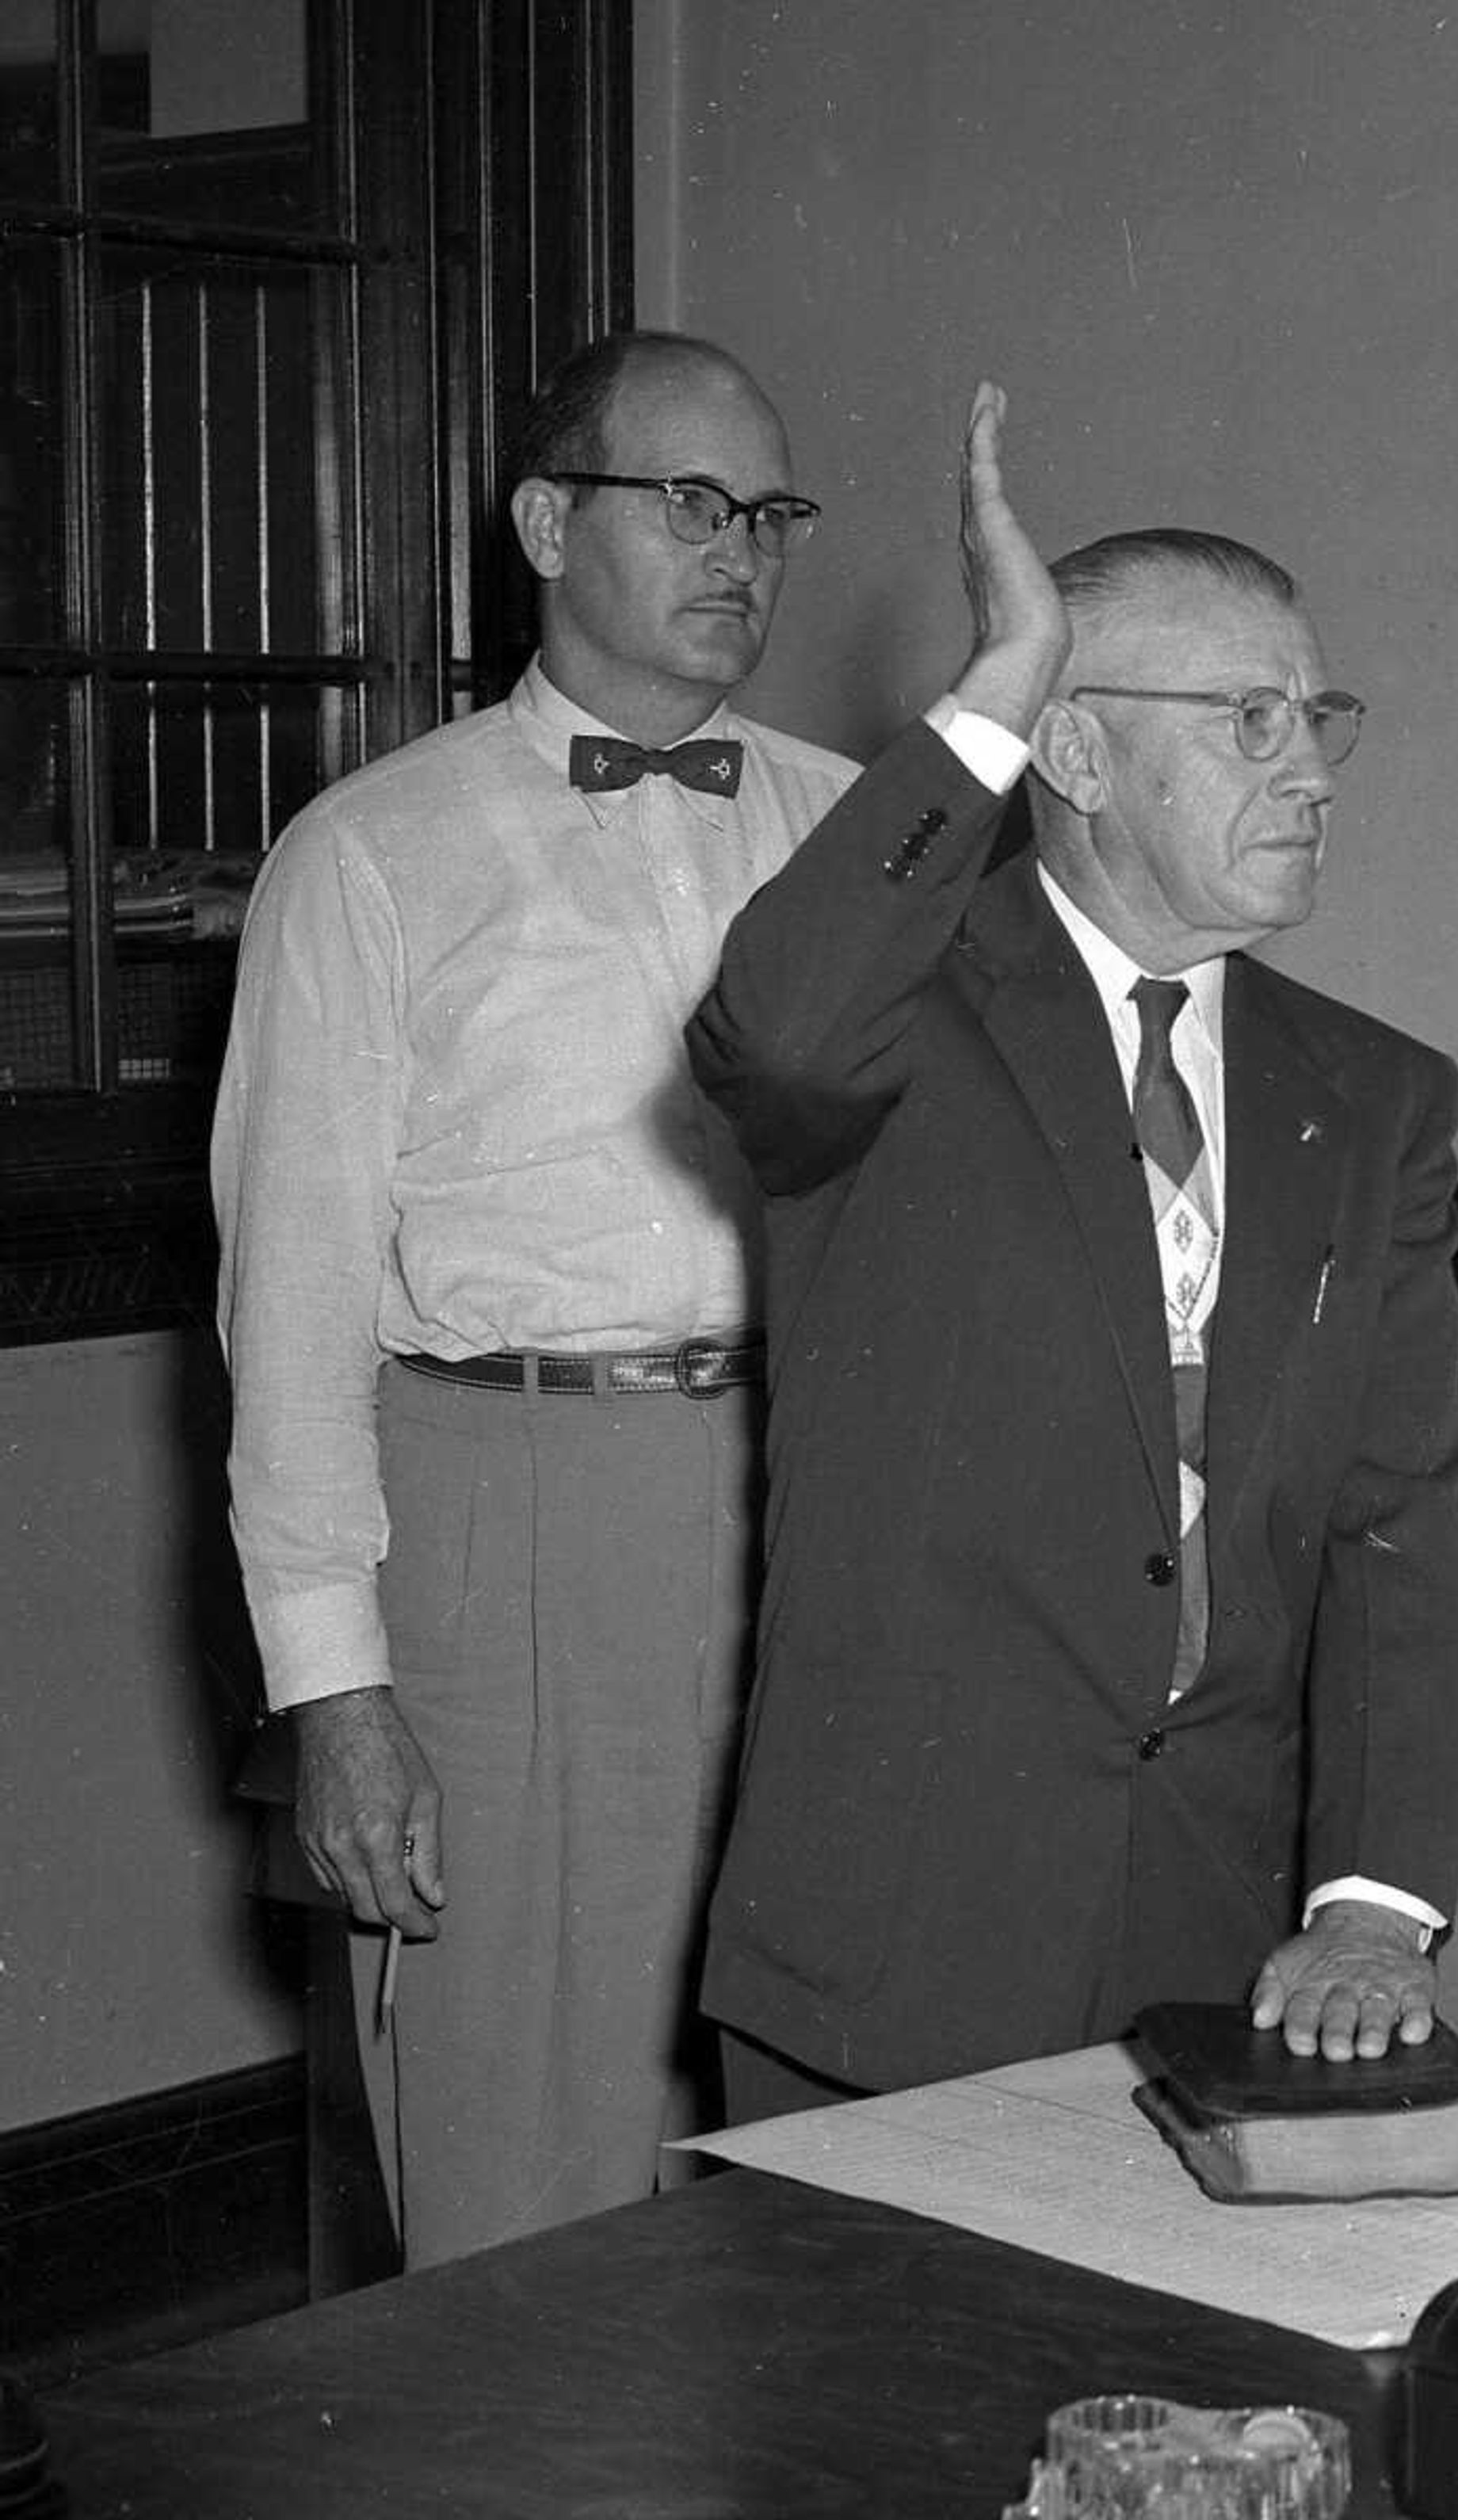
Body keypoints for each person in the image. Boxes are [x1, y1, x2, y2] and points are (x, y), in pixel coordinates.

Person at [685, 385, 1458, 2115]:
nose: (1310, 769)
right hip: (898, 1952)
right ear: (1081, 754)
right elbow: (778, 1028)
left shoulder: (1377, 1100)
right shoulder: (895, 1027)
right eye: (1249, 718)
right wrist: (990, 690)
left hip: (1220, 1950)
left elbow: (1394, 1527)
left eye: (1316, 716)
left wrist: (1373, 1906)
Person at [212, 330, 855, 2264]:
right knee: (519, 2138)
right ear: (545, 523)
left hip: (808, 1492)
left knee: (822, 2105)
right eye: (690, 502)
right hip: (510, 1498)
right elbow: (297, 1300)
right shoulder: (370, 855)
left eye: (768, 511)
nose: (740, 548)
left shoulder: (861, 830)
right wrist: (336, 1692)